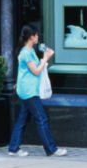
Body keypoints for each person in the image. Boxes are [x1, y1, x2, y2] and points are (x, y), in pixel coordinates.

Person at [7, 25, 67, 157]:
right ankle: (51, 149)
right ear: (31, 37)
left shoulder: (29, 51)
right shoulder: (26, 53)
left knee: (22, 119)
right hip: (29, 92)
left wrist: (43, 59)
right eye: (36, 35)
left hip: (26, 90)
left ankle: (13, 148)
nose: (38, 37)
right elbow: (36, 71)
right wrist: (45, 58)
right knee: (41, 118)